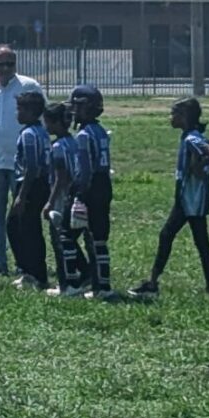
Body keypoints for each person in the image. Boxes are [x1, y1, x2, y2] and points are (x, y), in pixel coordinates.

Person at [137, 98, 209, 298]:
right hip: (191, 200)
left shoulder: (190, 139)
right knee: (201, 242)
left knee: (167, 236)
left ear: (184, 117)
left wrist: (197, 166)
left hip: (189, 201)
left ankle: (152, 283)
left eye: (173, 113)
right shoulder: (191, 136)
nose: (170, 117)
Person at [0, 45, 45, 278]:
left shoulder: (29, 86)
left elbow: (42, 120)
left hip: (22, 163)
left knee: (22, 214)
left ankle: (23, 263)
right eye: (0, 64)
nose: (5, 69)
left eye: (10, 64)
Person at [68, 85, 116, 298]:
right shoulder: (101, 131)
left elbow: (85, 169)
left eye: (78, 107)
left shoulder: (84, 135)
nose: (75, 111)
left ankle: (74, 283)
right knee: (99, 237)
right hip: (105, 184)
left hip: (91, 187)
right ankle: (102, 285)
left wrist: (79, 194)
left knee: (68, 235)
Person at [7, 90, 55, 292]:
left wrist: (21, 195)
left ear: (31, 111)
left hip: (30, 185)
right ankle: (31, 271)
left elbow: (32, 167)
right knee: (22, 227)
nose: (17, 113)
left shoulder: (28, 134)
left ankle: (35, 274)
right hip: (41, 183)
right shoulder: (42, 131)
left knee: (24, 229)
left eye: (20, 109)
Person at [40, 103, 89, 297]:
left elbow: (61, 177)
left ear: (55, 123)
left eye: (48, 123)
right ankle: (85, 273)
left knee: (59, 239)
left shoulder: (58, 146)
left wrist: (50, 202)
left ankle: (66, 283)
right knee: (71, 238)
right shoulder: (74, 142)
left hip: (62, 198)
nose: (46, 127)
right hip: (75, 195)